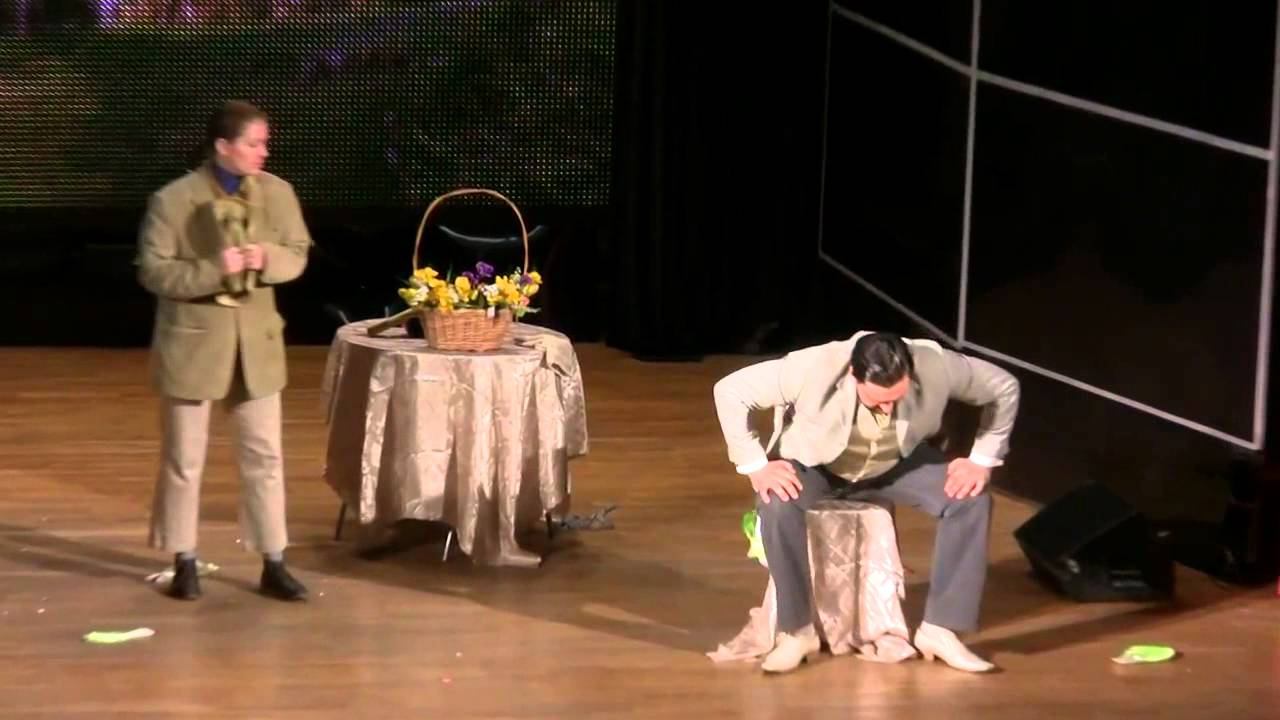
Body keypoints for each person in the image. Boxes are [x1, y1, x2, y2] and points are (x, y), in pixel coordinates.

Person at [713, 331, 1020, 673]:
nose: (887, 409)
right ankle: (796, 632)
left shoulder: (937, 364)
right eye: (878, 401)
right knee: (777, 503)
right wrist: (755, 465)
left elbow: (1004, 387)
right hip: (820, 465)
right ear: (853, 375)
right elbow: (730, 391)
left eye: (896, 399)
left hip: (896, 464)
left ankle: (941, 629)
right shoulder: (813, 366)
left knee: (970, 499)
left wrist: (982, 458)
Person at [135, 100, 311, 602]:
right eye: (253, 143)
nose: (263, 151)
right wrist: (215, 268)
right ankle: (184, 560)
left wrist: (265, 257)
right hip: (194, 347)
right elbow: (153, 271)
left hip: (256, 348)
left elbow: (297, 253)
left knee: (264, 456)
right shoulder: (173, 200)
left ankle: (273, 560)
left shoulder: (277, 194)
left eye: (264, 143)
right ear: (222, 146)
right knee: (184, 458)